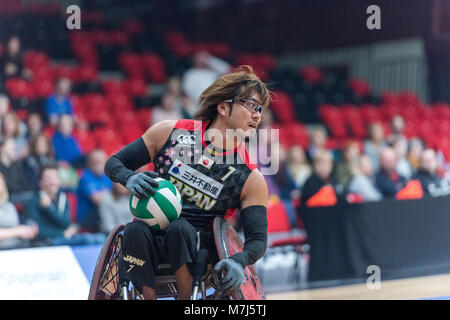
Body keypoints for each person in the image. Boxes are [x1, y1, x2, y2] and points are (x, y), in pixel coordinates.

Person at [104, 65, 270, 300]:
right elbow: (114, 163)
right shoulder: (169, 133)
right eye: (251, 105)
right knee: (133, 230)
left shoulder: (250, 177)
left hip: (199, 247)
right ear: (223, 107)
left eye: (260, 109)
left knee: (179, 228)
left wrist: (239, 260)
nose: (257, 115)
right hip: (148, 237)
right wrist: (128, 177)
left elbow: (258, 240)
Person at [25, 165, 105, 246]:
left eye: (55, 178)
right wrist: (62, 233)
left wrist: (49, 208)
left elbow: (65, 223)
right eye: (48, 178)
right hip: (47, 242)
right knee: (87, 240)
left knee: (100, 238)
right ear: (40, 183)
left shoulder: (62, 198)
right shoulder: (33, 201)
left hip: (62, 238)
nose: (52, 182)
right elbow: (36, 230)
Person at [76, 149, 113, 232]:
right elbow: (97, 200)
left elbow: (119, 196)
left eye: (100, 161)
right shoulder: (85, 176)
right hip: (87, 220)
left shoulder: (108, 176)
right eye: (95, 162)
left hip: (101, 219)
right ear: (89, 163)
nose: (98, 165)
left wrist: (105, 195)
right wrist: (108, 195)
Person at [0, 173, 38, 249]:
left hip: (19, 246)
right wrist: (18, 231)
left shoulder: (9, 205)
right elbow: (17, 230)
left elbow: (17, 226)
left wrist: (28, 229)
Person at [0, 138, 35, 204]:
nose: (13, 151)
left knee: (34, 196)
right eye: (11, 148)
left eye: (14, 149)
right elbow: (6, 186)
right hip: (8, 197)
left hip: (21, 195)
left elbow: (25, 182)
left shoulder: (16, 166)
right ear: (2, 148)